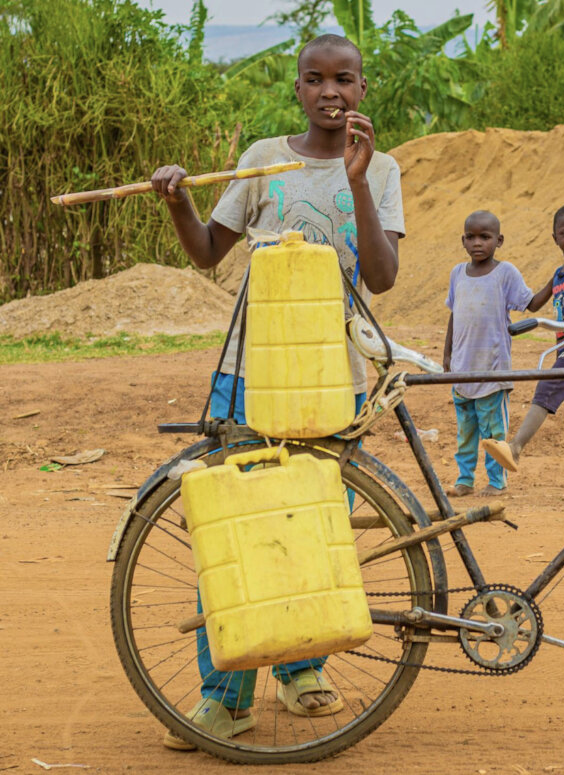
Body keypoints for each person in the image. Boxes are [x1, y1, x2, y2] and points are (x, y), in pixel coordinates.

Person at [149, 34, 404, 748]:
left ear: (362, 88)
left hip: (333, 379)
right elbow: (208, 251)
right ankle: (225, 697)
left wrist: (356, 180)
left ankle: (301, 668)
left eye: (344, 79)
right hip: (249, 374)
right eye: (315, 79)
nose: (330, 92)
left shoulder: (382, 168)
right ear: (298, 88)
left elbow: (382, 277)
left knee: (313, 528)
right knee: (234, 526)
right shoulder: (264, 160)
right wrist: (177, 203)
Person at [482, 204, 564, 499]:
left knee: (548, 384)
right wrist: (500, 282)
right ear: (555, 238)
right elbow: (534, 304)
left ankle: (515, 447)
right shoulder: (558, 274)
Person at [443, 210, 537, 498]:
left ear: (499, 240)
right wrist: (447, 354)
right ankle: (464, 480)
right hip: (462, 369)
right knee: (466, 432)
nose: (477, 243)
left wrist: (557, 281)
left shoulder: (505, 272)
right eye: (470, 237)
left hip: (493, 371)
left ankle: (497, 481)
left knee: (493, 433)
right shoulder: (457, 273)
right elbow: (454, 313)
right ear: (463, 240)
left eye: (485, 237)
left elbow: (531, 304)